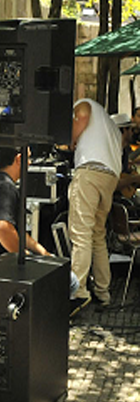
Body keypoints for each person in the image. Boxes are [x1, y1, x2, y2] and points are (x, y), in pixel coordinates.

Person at [68, 99, 122, 315]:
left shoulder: (85, 102)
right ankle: (103, 291)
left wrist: (71, 140)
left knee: (81, 233)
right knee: (98, 234)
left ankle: (78, 292)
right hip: (110, 177)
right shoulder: (111, 125)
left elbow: (82, 114)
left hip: (89, 171)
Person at [0, 146, 51, 267]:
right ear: (19, 159)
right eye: (28, 158)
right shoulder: (5, 187)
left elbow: (17, 233)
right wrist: (23, 257)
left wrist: (43, 253)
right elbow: (3, 227)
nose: (30, 163)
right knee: (69, 277)